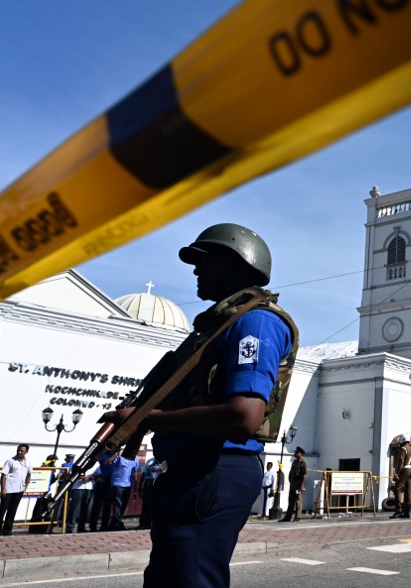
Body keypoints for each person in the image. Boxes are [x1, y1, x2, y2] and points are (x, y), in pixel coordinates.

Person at [100, 223, 298, 586]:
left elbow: (244, 415)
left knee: (190, 578)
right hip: (193, 469)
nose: (196, 270)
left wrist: (146, 418)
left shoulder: (255, 322)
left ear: (239, 266)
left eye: (206, 261)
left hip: (216, 468)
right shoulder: (217, 327)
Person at [0, 444, 32, 536]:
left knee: (12, 511)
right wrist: (3, 489)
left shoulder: (28, 462)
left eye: (22, 451)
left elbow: (29, 474)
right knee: (2, 511)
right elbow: (4, 475)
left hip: (19, 491)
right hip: (8, 490)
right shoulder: (10, 461)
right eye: (18, 450)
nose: (19, 452)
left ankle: (7, 531)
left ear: (26, 452)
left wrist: (26, 486)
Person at [390, 435, 411, 519]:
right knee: (408, 490)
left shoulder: (403, 448)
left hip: (405, 469)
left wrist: (397, 474)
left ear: (402, 440)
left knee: (397, 488)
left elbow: (401, 462)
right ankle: (407, 511)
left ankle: (398, 510)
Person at [280, 447, 308, 522]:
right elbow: (292, 471)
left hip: (298, 484)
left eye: (297, 452)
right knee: (291, 500)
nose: (295, 454)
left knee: (298, 501)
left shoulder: (303, 463)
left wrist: (302, 485)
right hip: (293, 484)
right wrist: (290, 479)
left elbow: (304, 475)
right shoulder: (295, 462)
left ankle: (297, 517)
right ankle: (288, 517)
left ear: (301, 453)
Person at [138, 456, 163, 529]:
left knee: (154, 504)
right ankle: (142, 523)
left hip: (158, 485)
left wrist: (157, 469)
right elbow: (143, 473)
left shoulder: (164, 460)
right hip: (148, 484)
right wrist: (140, 486)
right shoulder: (149, 461)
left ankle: (151, 523)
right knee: (146, 504)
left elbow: (167, 469)